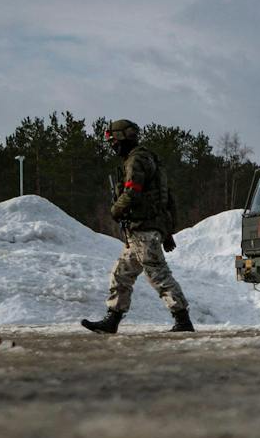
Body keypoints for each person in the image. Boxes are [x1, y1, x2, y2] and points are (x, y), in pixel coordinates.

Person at [82, 119, 194, 334]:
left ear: (123, 138)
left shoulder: (136, 161)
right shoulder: (149, 159)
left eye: (113, 140)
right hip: (142, 231)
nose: (112, 145)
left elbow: (133, 192)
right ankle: (112, 319)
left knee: (158, 274)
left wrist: (116, 209)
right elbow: (167, 199)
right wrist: (167, 231)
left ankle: (182, 319)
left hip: (143, 229)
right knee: (121, 274)